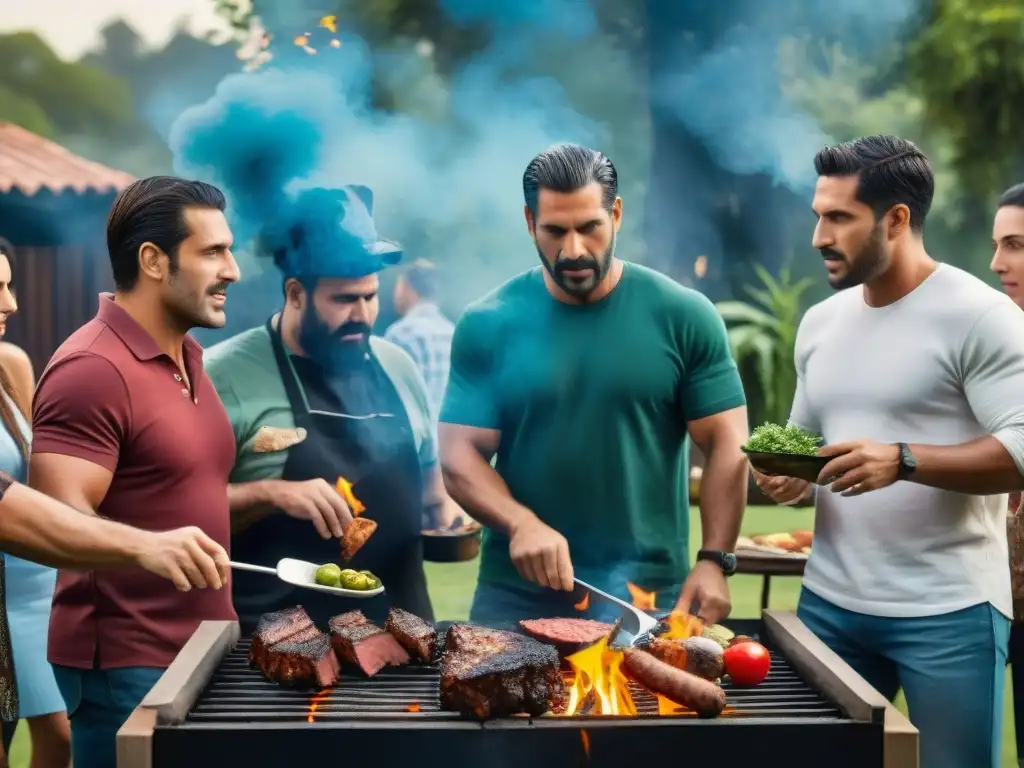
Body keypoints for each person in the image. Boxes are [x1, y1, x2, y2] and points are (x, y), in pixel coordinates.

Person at [754, 135, 1024, 768]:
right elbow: (808, 444)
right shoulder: (821, 322)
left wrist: (903, 459)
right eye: (818, 214)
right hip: (830, 605)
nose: (820, 235)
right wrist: (794, 476)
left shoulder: (982, 317)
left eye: (839, 217)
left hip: (949, 614)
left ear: (897, 219)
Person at [438, 143, 750, 626]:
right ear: (528, 222)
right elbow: (459, 456)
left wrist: (715, 559)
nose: (574, 250)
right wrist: (520, 522)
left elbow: (728, 442)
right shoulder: (488, 324)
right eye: (555, 231)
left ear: (617, 214)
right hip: (515, 598)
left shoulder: (683, 315)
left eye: (590, 228)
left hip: (645, 598)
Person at [29, 176, 242, 768]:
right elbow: (54, 522)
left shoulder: (187, 353)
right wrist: (145, 547)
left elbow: (175, 491)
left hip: (200, 651)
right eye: (213, 252)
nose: (233, 270)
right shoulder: (91, 368)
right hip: (128, 668)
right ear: (153, 260)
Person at [205, 185, 464, 632]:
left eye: (370, 296)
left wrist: (447, 518)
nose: (362, 315)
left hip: (403, 640)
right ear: (295, 293)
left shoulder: (398, 365)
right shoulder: (223, 376)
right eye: (344, 300)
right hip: (278, 653)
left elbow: (431, 489)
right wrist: (271, 494)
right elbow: (178, 512)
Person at [0, 241, 70, 767]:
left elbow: (41, 469)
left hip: (41, 588)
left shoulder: (10, 365)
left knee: (61, 736)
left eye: (8, 285)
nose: (11, 304)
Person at [990, 180, 1024, 767]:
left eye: (1016, 245)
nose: (997, 263)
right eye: (997, 245)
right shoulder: (991, 340)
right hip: (991, 590)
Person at [384, 259, 455, 419]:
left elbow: (388, 397)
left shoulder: (401, 334)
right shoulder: (452, 332)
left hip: (412, 437)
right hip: (444, 438)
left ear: (407, 288)